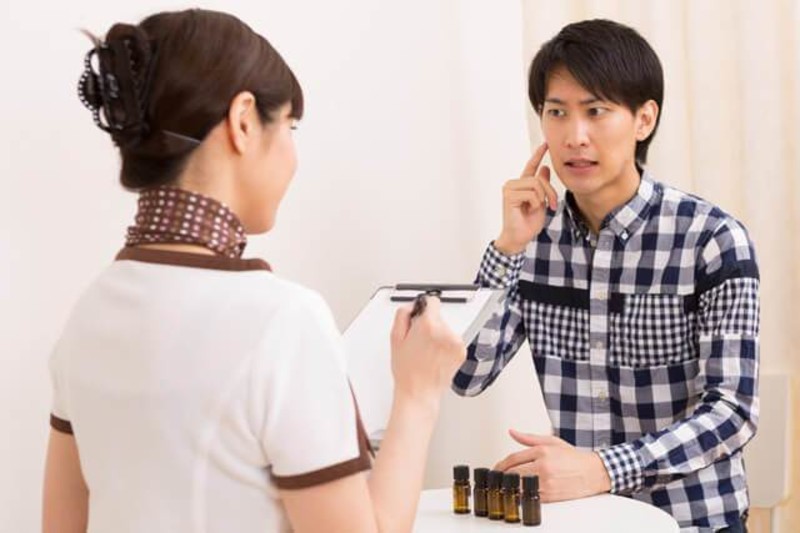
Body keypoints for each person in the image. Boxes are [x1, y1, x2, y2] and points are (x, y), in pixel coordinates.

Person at [42, 9, 465, 533]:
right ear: (243, 121)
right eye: (290, 126)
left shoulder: (91, 311)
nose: (293, 155)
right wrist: (418, 394)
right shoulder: (281, 320)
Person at [452, 19, 758, 532]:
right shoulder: (533, 238)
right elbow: (467, 374)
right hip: (585, 523)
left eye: (595, 111)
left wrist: (602, 469)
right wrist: (507, 248)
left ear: (644, 119)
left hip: (694, 524)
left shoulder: (711, 238)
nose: (574, 136)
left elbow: (732, 411)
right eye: (556, 112)